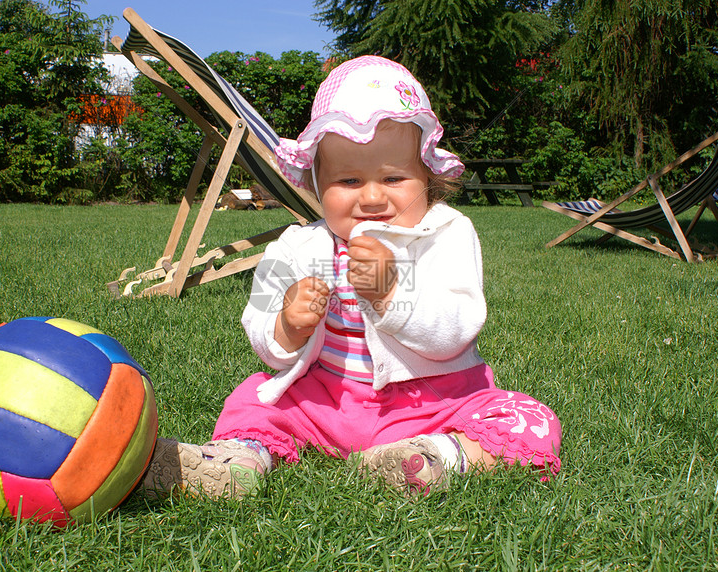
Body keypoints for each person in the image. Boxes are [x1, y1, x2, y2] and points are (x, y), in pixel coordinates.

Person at [142, 56, 561, 499]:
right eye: (349, 179)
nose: (373, 196)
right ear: (319, 184)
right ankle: (236, 462)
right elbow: (265, 339)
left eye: (395, 177)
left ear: (428, 177)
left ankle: (435, 454)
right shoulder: (298, 247)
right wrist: (287, 327)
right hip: (328, 400)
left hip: (437, 402)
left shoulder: (445, 233)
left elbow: (456, 330)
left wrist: (390, 293)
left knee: (531, 420)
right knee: (255, 398)